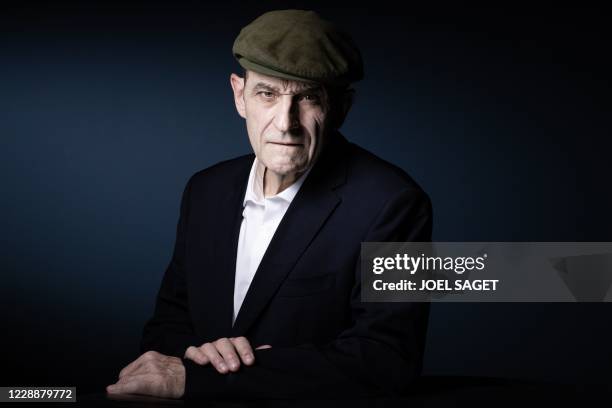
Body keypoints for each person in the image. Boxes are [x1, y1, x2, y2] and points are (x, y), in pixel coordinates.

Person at [107, 9, 432, 400]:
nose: (285, 122)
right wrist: (192, 354)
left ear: (342, 108)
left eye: (309, 97)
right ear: (239, 95)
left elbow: (387, 359)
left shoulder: (395, 204)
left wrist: (208, 379)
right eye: (268, 93)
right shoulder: (205, 191)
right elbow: (166, 328)